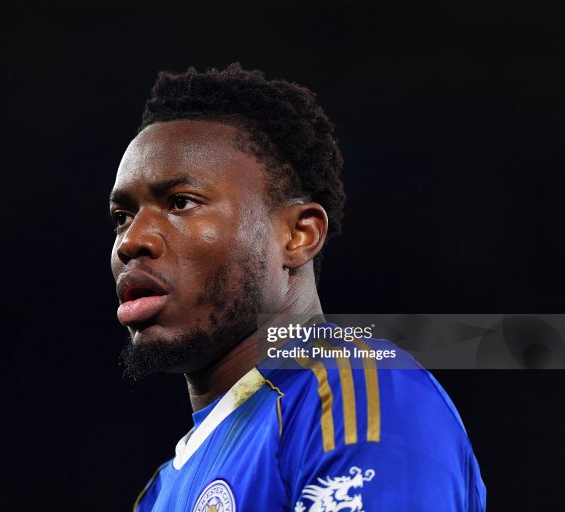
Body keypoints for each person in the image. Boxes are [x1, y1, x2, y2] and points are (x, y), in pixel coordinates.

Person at [109, 63, 486, 511]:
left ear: (298, 235)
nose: (132, 241)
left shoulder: (355, 397)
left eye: (181, 202)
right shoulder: (159, 494)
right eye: (122, 218)